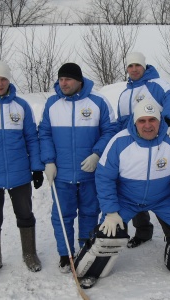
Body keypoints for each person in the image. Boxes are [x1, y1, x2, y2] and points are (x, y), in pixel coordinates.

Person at [74, 98, 170, 288]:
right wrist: (111, 211)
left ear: (160, 120)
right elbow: (104, 177)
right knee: (107, 235)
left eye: (152, 120)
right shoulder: (119, 141)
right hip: (127, 199)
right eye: (142, 120)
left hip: (163, 198)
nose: (147, 125)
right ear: (135, 121)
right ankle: (90, 271)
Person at [38, 62, 117, 273]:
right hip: (62, 174)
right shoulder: (52, 104)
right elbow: (44, 133)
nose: (63, 83)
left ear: (79, 81)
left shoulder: (98, 102)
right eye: (61, 79)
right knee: (62, 215)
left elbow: (109, 131)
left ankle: (85, 249)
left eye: (68, 79)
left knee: (90, 213)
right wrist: (49, 161)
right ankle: (66, 255)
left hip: (90, 172)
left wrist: (97, 154)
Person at [0, 61, 44, 281]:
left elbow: (32, 139)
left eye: (3, 79)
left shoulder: (21, 106)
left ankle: (29, 253)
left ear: (9, 80)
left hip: (19, 173)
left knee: (25, 214)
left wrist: (36, 168)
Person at [117, 51, 170, 248]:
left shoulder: (156, 84)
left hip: (156, 144)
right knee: (133, 187)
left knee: (160, 189)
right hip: (132, 149)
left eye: (138, 65)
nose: (134, 69)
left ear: (144, 66)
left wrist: (167, 123)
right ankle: (143, 231)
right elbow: (122, 123)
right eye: (130, 66)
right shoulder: (124, 94)